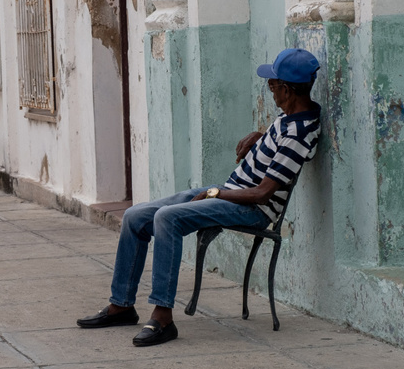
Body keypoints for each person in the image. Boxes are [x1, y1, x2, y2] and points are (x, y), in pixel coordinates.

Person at [77, 48, 322, 347]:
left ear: (287, 88)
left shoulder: (299, 132)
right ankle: (121, 306)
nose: (269, 89)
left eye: (272, 85)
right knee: (135, 216)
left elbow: (263, 194)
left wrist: (215, 193)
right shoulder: (289, 117)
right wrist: (261, 136)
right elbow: (278, 146)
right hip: (231, 195)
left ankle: (163, 317)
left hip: (250, 208)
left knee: (167, 218)